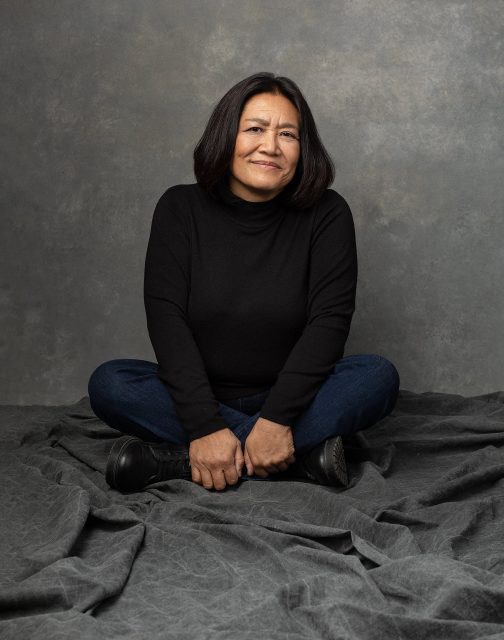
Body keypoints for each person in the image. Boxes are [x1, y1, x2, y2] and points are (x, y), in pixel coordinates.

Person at [88, 72, 399, 493]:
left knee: (375, 377)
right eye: (255, 129)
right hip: (197, 397)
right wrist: (204, 424)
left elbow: (329, 324)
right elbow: (167, 321)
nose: (270, 146)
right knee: (111, 384)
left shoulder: (328, 213)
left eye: (287, 134)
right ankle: (301, 457)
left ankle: (177, 462)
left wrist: (275, 422)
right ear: (226, 136)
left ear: (301, 149)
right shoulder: (180, 208)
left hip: (297, 399)